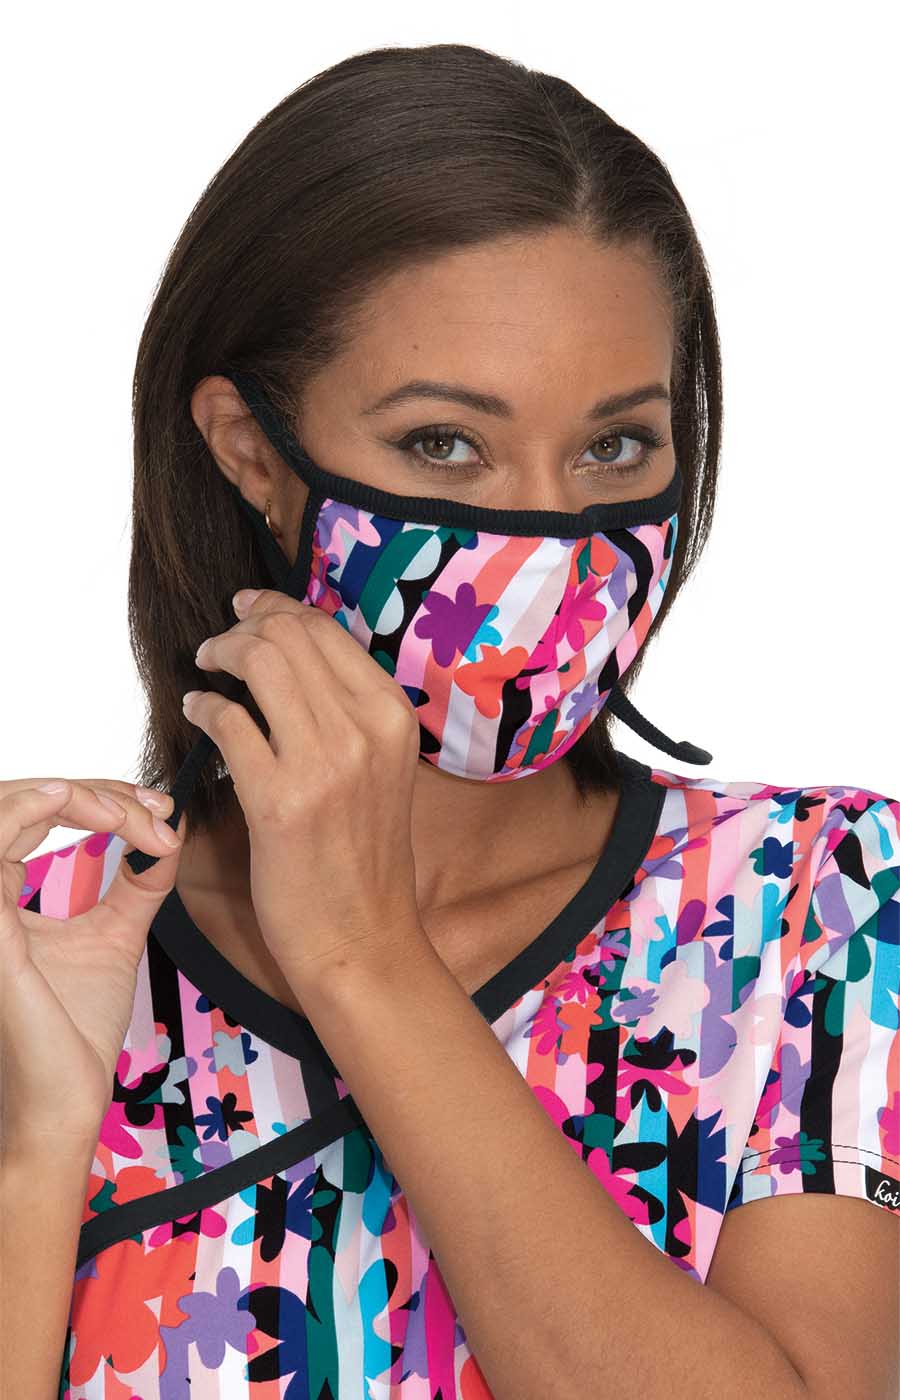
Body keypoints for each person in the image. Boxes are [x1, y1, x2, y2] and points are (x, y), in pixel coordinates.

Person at [2, 41, 897, 1400]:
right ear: (250, 453)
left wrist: (364, 958)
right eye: (445, 445)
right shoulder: (48, 944)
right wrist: (34, 1155)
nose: (550, 532)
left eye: (614, 446)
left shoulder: (816, 905)